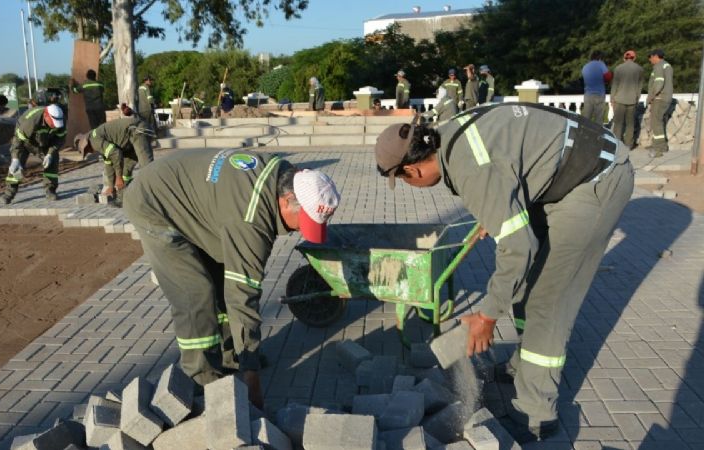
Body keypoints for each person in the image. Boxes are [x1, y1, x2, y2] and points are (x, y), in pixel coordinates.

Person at [374, 103, 634, 443]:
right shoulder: (449, 137)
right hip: (568, 174)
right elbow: (505, 172)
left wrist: (488, 315)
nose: (409, 186)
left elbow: (518, 248)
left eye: (403, 181)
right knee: (527, 286)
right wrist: (495, 211)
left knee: (547, 302)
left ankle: (536, 414)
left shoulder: (470, 165)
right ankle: (520, 369)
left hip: (595, 180)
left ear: (414, 171)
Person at [123, 149, 340, 408]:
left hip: (193, 198)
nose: (298, 230)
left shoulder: (286, 176)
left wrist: (245, 359)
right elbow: (243, 295)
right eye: (301, 222)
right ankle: (201, 377)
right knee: (195, 293)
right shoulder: (251, 218)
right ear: (287, 200)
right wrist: (252, 378)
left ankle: (231, 356)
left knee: (222, 273)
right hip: (154, 203)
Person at [74, 109, 154, 206]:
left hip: (137, 131)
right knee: (125, 173)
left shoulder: (94, 140)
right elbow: (109, 164)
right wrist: (111, 186)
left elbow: (116, 153)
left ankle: (155, 197)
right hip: (129, 141)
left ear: (87, 144)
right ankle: (124, 199)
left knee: (147, 168)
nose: (90, 152)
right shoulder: (98, 140)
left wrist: (118, 177)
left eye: (87, 151)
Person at [1, 104, 66, 203]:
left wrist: (49, 154)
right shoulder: (30, 121)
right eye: (53, 123)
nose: (55, 125)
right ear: (46, 116)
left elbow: (59, 139)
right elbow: (18, 140)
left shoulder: (61, 120)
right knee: (17, 168)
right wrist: (15, 159)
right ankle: (10, 192)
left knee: (52, 161)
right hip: (25, 142)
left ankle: (50, 190)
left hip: (45, 143)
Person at [610, 50, 643, 149]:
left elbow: (615, 85)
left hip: (619, 99)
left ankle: (617, 144)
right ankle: (629, 144)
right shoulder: (639, 69)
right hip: (632, 100)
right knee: (630, 123)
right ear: (634, 58)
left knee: (618, 123)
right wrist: (637, 98)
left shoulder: (618, 68)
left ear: (624, 58)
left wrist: (612, 98)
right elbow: (639, 87)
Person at [647, 49, 673, 157]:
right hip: (666, 97)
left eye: (650, 58)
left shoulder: (658, 66)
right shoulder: (667, 65)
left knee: (656, 122)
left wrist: (651, 97)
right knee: (659, 121)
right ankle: (658, 145)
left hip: (659, 98)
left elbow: (658, 83)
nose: (650, 61)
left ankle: (659, 149)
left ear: (655, 56)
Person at [581, 50, 612, 123]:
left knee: (586, 117)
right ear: (600, 58)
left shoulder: (585, 66)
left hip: (588, 94)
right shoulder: (601, 64)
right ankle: (598, 134)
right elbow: (608, 77)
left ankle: (585, 133)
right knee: (599, 118)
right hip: (599, 94)